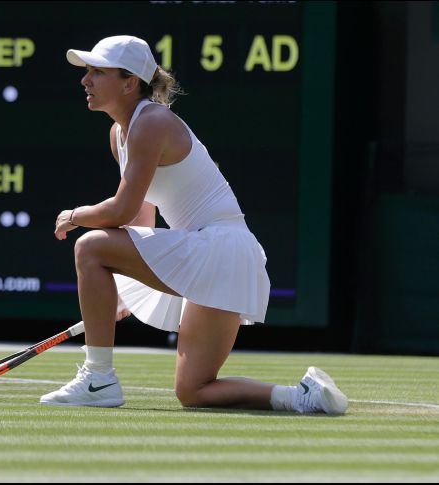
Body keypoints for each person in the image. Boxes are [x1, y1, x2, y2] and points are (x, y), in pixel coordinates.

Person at [39, 35, 348, 414]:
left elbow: (120, 211)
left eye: (97, 72)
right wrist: (121, 286)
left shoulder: (151, 121)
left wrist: (75, 215)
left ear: (128, 81)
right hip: (222, 254)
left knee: (88, 245)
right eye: (87, 72)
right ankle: (302, 395)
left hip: (218, 248)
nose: (85, 80)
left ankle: (98, 377)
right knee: (194, 391)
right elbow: (140, 218)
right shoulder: (120, 133)